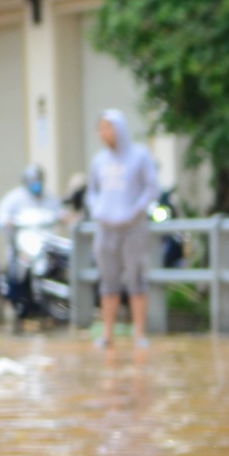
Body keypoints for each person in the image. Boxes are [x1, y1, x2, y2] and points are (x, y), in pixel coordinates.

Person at [86, 110, 159, 349]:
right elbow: (92, 192)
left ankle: (139, 334)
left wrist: (135, 211)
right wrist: (96, 209)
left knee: (136, 279)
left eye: (108, 128)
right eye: (101, 129)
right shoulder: (98, 160)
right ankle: (108, 335)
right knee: (108, 282)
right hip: (105, 227)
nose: (104, 133)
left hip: (133, 227)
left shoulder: (140, 156)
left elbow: (152, 188)